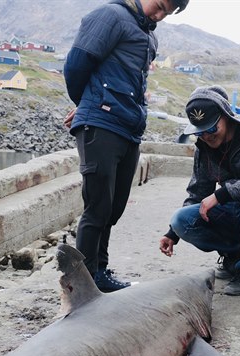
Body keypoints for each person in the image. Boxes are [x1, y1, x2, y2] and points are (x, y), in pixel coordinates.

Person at [63, 0, 188, 292]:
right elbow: (75, 66)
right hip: (101, 124)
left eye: (166, 14)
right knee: (98, 206)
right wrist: (87, 105)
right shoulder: (111, 16)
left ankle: (99, 273)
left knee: (114, 207)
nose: (159, 16)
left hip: (128, 130)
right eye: (159, 7)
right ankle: (83, 283)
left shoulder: (149, 36)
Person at [158, 86, 240, 296]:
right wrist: (172, 233)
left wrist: (220, 194)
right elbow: (198, 192)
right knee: (181, 220)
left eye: (211, 129)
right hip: (232, 210)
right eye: (200, 131)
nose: (206, 136)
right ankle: (233, 255)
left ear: (227, 117)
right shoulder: (204, 147)